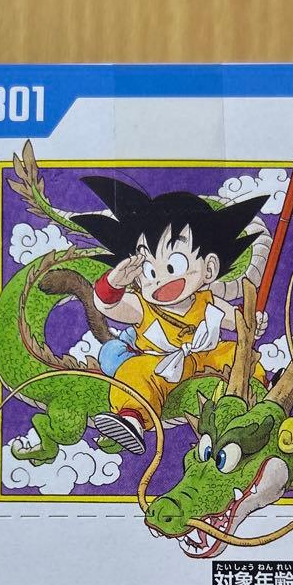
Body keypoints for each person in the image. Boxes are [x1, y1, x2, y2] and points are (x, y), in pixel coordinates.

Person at [72, 177, 269, 454]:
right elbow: (107, 306)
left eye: (174, 265)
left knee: (238, 354)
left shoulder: (208, 301)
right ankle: (132, 419)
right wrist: (113, 283)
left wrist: (252, 324)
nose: (160, 279)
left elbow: (237, 321)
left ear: (209, 269)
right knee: (134, 371)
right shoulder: (142, 306)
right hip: (160, 364)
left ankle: (260, 395)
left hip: (206, 357)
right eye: (150, 271)